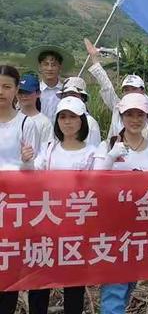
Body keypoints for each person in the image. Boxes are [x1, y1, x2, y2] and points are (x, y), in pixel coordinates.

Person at [93, 93, 148, 313]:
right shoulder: (108, 145)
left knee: (129, 281)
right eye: (129, 114)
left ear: (147, 117)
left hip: (140, 225)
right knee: (115, 284)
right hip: (112, 224)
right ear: (121, 117)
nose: (135, 119)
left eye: (140, 114)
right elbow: (94, 182)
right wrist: (111, 158)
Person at [29, 97, 96, 314]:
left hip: (76, 226)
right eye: (63, 117)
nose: (67, 122)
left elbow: (96, 187)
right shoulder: (48, 149)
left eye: (73, 117)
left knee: (73, 282)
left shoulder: (92, 152)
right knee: (40, 280)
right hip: (47, 223)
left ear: (82, 120)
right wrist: (26, 161)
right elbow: (33, 175)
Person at [0, 65, 40, 314]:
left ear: (16, 91)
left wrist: (27, 161)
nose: (1, 92)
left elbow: (34, 175)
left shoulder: (26, 124)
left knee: (8, 268)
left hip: (13, 210)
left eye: (6, 87)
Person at [84, 38, 148, 142]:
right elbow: (106, 86)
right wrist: (94, 57)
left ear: (143, 91)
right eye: (126, 89)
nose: (130, 92)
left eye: (134, 88)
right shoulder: (117, 107)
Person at [26, 45, 75, 123]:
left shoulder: (66, 92)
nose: (50, 68)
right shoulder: (31, 91)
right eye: (46, 64)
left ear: (60, 67)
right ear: (40, 67)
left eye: (54, 65)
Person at [57, 76, 101, 146]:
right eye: (66, 95)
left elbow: (95, 149)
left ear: (83, 98)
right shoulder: (59, 118)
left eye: (73, 95)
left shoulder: (90, 122)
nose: (69, 98)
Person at [17, 73, 53, 144]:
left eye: (28, 92)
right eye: (20, 92)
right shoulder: (11, 117)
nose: (23, 95)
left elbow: (46, 150)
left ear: (38, 93)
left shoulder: (44, 123)